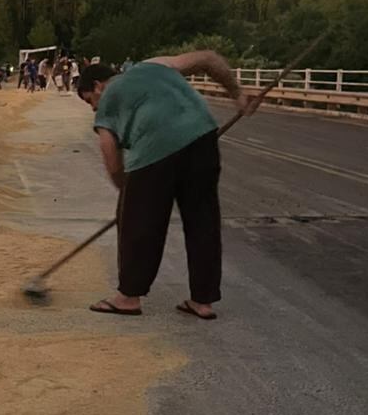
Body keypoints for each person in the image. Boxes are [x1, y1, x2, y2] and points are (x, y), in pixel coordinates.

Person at [76, 51, 255, 320]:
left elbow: (110, 154)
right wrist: (237, 95)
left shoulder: (108, 99)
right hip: (202, 138)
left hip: (153, 149)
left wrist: (125, 190)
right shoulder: (155, 64)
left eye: (90, 100)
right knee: (202, 220)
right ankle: (202, 301)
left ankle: (128, 297)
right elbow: (208, 58)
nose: (93, 108)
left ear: (98, 85)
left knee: (138, 224)